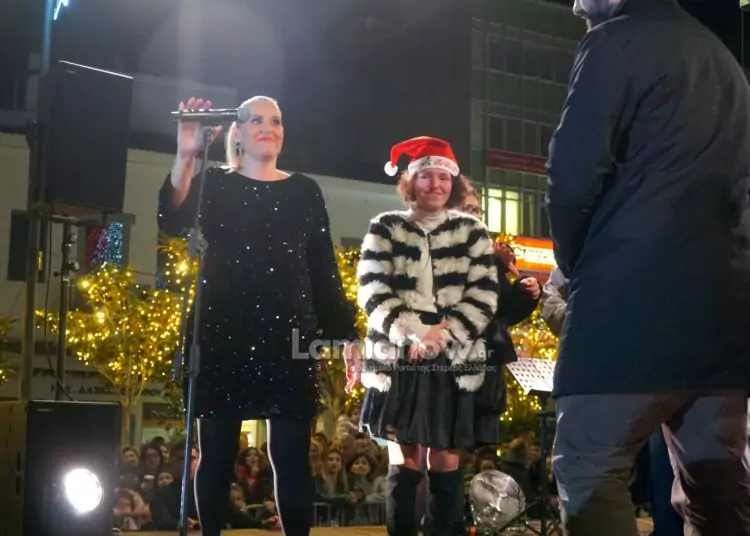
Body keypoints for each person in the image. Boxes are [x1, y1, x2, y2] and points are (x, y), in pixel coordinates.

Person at [546, 1, 750, 535]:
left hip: (627, 304)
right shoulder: (722, 59)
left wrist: (579, 269)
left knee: (590, 468)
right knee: (717, 487)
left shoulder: (615, 41)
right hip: (723, 313)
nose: (575, 3)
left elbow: (571, 178)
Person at [158, 96, 358, 536]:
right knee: (216, 453)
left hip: (289, 336)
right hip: (221, 330)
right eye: (256, 120)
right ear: (237, 133)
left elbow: (323, 268)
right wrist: (186, 154)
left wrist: (347, 335)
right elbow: (171, 221)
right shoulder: (214, 183)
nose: (268, 127)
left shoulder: (305, 191)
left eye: (276, 121)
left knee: (290, 456)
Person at [351, 136, 499, 536]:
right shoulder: (385, 227)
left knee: (447, 461)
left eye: (444, 177)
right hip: (400, 355)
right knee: (406, 460)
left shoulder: (472, 231)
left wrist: (443, 335)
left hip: (454, 356)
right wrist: (413, 334)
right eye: (426, 176)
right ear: (410, 182)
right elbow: (372, 290)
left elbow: (484, 294)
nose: (436, 184)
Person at [542, 269, 683, 536]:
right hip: (611, 373)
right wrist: (586, 322)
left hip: (670, 365)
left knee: (688, 478)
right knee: (596, 477)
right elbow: (552, 298)